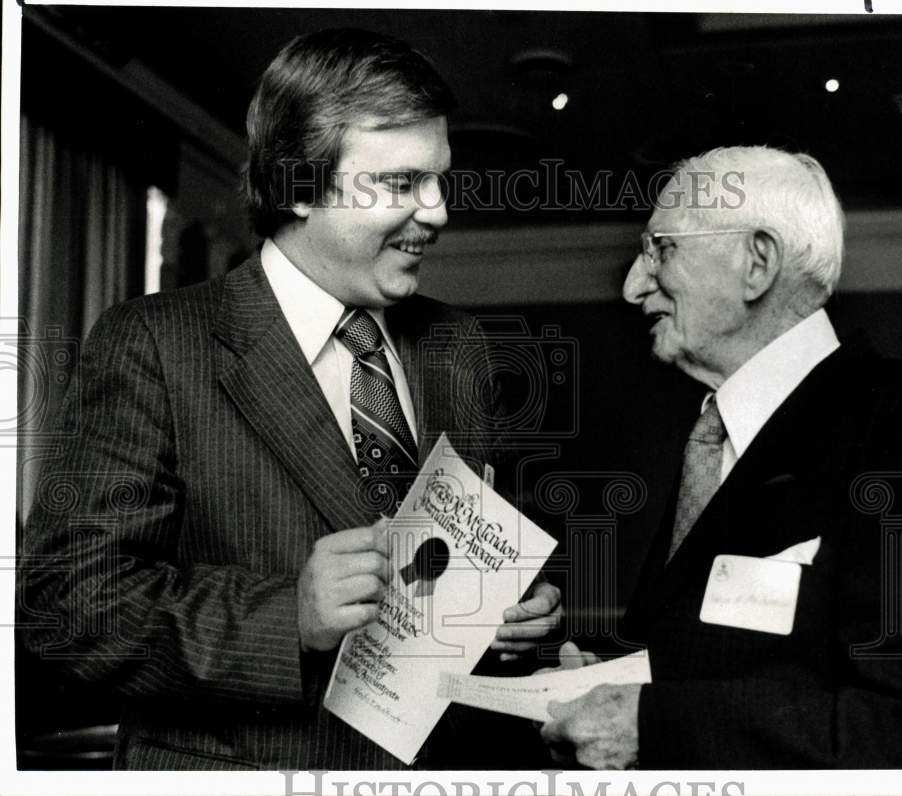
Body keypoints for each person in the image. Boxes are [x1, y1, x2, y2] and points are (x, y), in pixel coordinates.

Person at [19, 28, 560, 770]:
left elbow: (456, 577)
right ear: (295, 186)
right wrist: (288, 620)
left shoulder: (456, 344)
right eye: (403, 185)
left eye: (440, 181)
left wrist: (511, 619)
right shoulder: (155, 344)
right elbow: (66, 605)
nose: (437, 213)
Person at [539, 146, 902, 769]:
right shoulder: (714, 437)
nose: (633, 285)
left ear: (757, 263)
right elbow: (725, 658)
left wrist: (654, 725)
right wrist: (606, 689)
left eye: (661, 249)